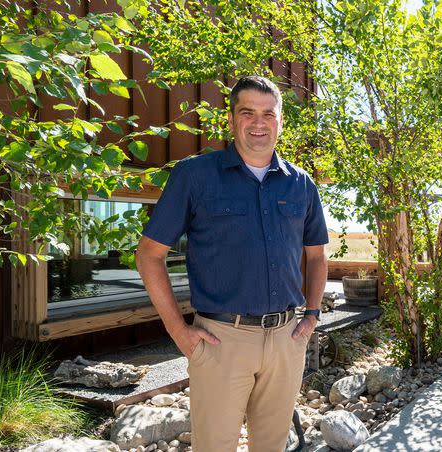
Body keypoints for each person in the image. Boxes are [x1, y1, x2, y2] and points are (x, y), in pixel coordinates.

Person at [136, 75, 328, 452]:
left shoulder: (301, 184)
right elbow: (149, 256)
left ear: (280, 121)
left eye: (268, 114)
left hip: (288, 339)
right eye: (248, 113)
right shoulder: (195, 176)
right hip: (221, 340)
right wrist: (179, 332)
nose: (259, 123)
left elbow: (317, 256)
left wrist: (312, 315)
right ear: (231, 119)